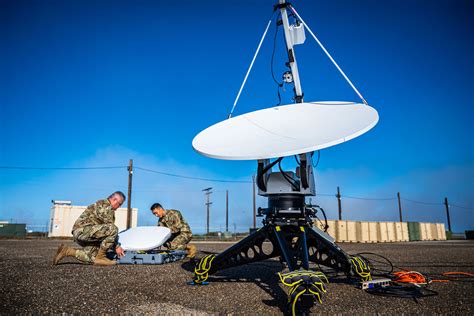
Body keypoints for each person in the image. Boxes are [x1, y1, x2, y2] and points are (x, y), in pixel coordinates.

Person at [53, 191, 126, 266]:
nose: (119, 207)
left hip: (87, 234)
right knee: (113, 229)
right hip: (83, 231)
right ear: (114, 200)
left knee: (92, 257)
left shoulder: (104, 205)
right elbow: (110, 229)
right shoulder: (106, 206)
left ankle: (66, 251)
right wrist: (117, 247)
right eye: (119, 204)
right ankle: (101, 257)